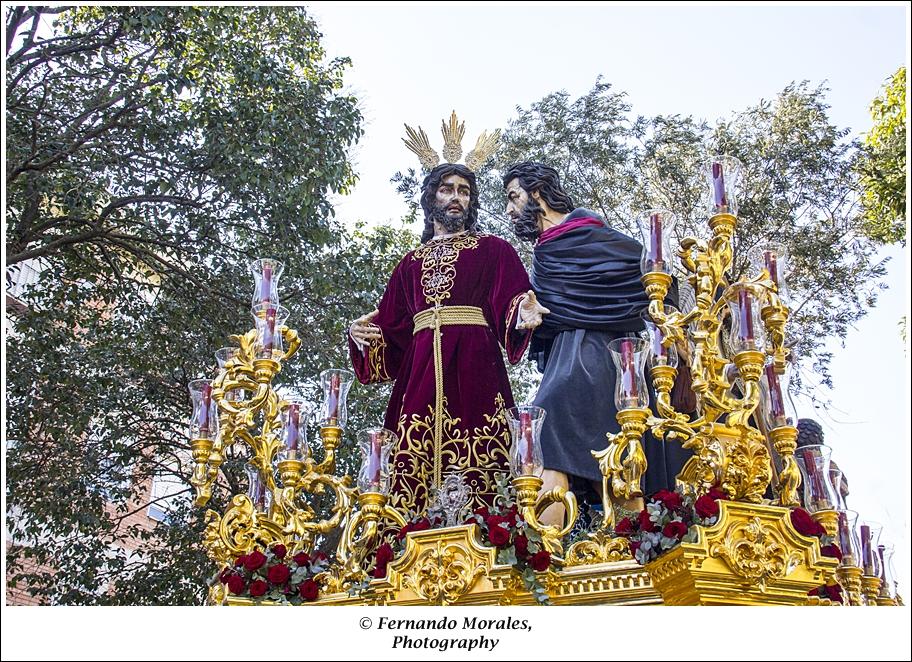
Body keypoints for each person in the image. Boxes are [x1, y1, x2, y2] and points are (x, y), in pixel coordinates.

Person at [349, 162, 549, 516]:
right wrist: (363, 336)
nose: (456, 197)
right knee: (408, 464)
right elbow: (392, 331)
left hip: (476, 367)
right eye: (447, 189)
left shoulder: (493, 249)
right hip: (419, 376)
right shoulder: (408, 264)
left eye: (464, 191)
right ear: (431, 198)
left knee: (485, 460)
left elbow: (513, 296)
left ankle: (495, 540)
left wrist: (522, 309)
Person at [503, 161, 690, 526]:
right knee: (618, 455)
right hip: (568, 356)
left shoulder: (591, 235)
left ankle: (543, 553)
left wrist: (672, 333)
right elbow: (547, 312)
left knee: (547, 436)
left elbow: (655, 277)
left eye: (514, 197)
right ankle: (628, 550)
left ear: (537, 192)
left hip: (598, 357)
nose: (510, 210)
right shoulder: (544, 252)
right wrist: (530, 313)